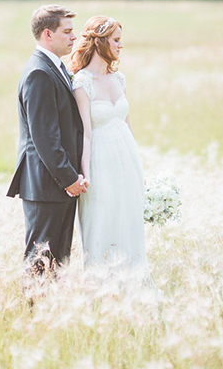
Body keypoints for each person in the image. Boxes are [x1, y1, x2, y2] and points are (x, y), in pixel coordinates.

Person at [7, 4, 87, 275]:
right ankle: (33, 315)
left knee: (58, 261)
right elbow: (44, 137)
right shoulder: (39, 73)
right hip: (47, 185)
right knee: (40, 261)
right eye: (67, 31)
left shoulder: (55, 67)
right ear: (47, 34)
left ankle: (51, 315)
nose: (73, 37)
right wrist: (69, 179)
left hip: (58, 184)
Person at [71, 16, 151, 279]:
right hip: (100, 162)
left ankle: (134, 283)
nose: (121, 46)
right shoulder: (82, 82)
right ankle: (101, 288)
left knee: (128, 222)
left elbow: (127, 126)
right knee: (103, 223)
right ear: (100, 42)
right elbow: (87, 133)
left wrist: (139, 167)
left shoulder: (120, 79)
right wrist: (87, 174)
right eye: (116, 40)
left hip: (126, 160)